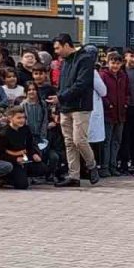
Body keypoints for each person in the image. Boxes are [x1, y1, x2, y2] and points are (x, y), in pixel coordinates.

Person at [52, 34, 100, 188]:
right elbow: (61, 85)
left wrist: (61, 97)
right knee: (69, 142)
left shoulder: (85, 59)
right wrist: (58, 105)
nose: (56, 51)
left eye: (58, 48)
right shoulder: (64, 62)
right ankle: (74, 176)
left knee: (79, 140)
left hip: (80, 106)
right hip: (65, 106)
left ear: (67, 45)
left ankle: (92, 165)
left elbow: (82, 83)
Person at [0, 106, 46, 189]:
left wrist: (34, 154)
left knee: (42, 168)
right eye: (19, 118)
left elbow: (30, 145)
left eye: (23, 117)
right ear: (10, 118)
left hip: (24, 157)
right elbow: (0, 153)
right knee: (22, 185)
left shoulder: (26, 129)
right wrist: (15, 159)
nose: (22, 120)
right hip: (11, 160)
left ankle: (24, 175)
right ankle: (6, 179)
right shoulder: (4, 133)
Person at [100, 51, 129, 177]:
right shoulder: (103, 75)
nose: (115, 66)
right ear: (108, 63)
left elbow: (128, 92)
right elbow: (102, 93)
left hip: (120, 113)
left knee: (117, 141)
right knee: (107, 141)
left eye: (118, 63)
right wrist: (108, 104)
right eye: (113, 63)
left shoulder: (123, 76)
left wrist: (126, 103)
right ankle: (105, 166)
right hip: (108, 113)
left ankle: (113, 165)